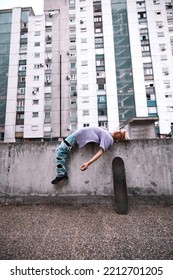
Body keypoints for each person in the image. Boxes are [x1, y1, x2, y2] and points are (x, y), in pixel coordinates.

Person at [51, 126, 130, 184]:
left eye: (120, 134)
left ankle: (61, 174)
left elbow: (101, 152)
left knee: (61, 150)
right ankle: (61, 173)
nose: (118, 132)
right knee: (60, 150)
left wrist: (88, 163)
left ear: (119, 139)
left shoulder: (109, 139)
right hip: (78, 134)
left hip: (77, 136)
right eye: (120, 130)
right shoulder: (107, 132)